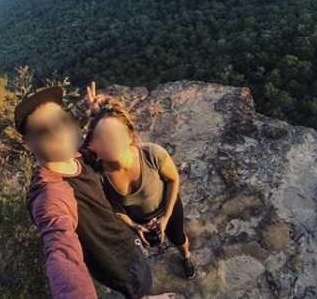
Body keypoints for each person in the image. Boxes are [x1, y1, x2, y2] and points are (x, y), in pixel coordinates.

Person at [15, 86, 173, 299]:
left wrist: (97, 113)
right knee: (138, 287)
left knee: (141, 278)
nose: (59, 131)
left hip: (124, 238)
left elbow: (94, 143)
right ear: (28, 142)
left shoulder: (76, 156)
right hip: (113, 261)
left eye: (62, 120)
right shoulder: (50, 194)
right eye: (43, 130)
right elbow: (61, 251)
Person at [82, 83, 197, 280]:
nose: (110, 141)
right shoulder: (99, 175)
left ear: (130, 136)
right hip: (138, 219)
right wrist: (134, 225)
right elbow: (113, 207)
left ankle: (186, 256)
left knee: (177, 237)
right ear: (94, 146)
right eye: (102, 138)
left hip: (166, 206)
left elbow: (173, 179)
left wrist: (166, 217)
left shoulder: (151, 153)